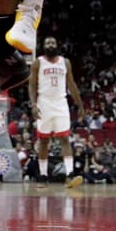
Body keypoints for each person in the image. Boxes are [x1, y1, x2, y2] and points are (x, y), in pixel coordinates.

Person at [29, 35, 84, 188]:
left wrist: (80, 106)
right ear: (43, 46)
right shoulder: (37, 63)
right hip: (44, 103)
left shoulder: (65, 62)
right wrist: (33, 104)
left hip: (61, 103)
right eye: (48, 43)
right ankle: (43, 176)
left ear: (57, 45)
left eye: (53, 42)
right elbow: (32, 85)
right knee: (44, 141)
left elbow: (71, 84)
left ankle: (70, 175)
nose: (51, 45)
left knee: (65, 139)